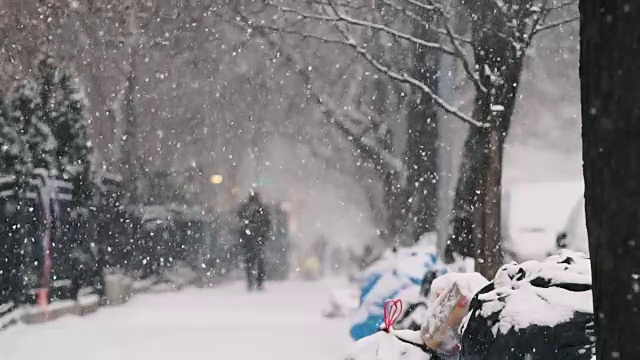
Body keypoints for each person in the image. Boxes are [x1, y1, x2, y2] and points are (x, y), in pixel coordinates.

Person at [237, 189, 271, 291]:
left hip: (248, 238)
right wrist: (263, 235)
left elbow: (239, 220)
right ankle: (259, 282)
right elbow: (267, 223)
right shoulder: (262, 208)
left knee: (249, 261)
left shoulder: (245, 208)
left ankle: (250, 281)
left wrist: (244, 233)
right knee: (259, 261)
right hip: (258, 238)